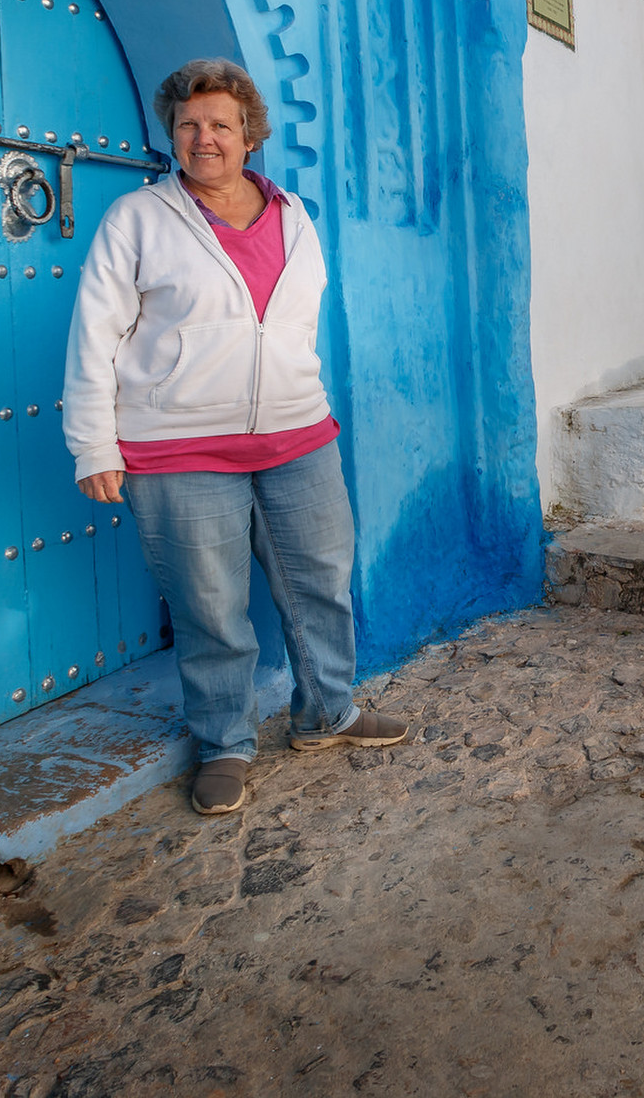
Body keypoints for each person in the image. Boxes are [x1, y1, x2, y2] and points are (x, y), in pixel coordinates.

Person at [64, 57, 408, 814]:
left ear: (249, 134)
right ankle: (224, 742)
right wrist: (95, 444)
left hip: (297, 438)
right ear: (173, 136)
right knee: (211, 605)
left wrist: (301, 394)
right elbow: (95, 335)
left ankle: (327, 712)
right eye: (188, 125)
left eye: (220, 124)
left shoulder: (293, 213)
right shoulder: (138, 218)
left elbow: (292, 324)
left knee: (320, 582)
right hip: (177, 448)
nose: (204, 138)